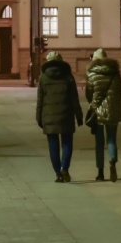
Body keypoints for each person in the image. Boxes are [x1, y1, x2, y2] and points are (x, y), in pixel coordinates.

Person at [36, 51, 83, 183]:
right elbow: (74, 98)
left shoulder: (43, 78)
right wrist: (79, 115)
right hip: (66, 115)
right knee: (67, 142)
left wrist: (38, 117)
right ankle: (65, 168)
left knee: (53, 145)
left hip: (49, 117)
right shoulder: (68, 77)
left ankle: (58, 173)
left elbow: (40, 100)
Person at [85, 48, 121, 182]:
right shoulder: (115, 73)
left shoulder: (92, 74)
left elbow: (89, 94)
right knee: (112, 139)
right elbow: (120, 92)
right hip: (113, 110)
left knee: (99, 142)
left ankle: (100, 172)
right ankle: (112, 162)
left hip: (98, 112)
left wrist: (93, 105)